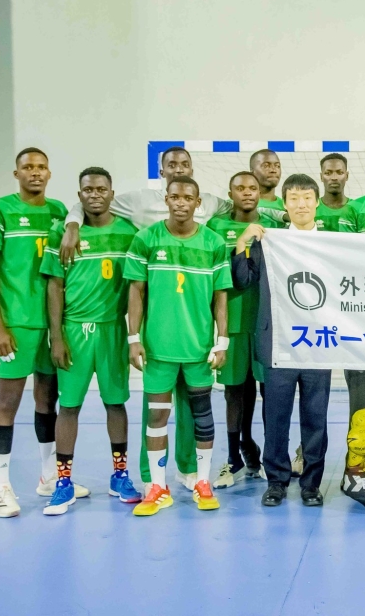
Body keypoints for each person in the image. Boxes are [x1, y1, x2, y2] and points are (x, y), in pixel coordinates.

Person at [58, 147, 231, 492]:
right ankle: (152, 478)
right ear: (161, 174)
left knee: (193, 408)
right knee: (156, 410)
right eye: (171, 166)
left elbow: (242, 203)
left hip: (194, 327)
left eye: (184, 166)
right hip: (159, 320)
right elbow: (92, 199)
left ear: (197, 198)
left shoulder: (210, 210)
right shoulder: (138, 206)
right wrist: (71, 224)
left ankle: (190, 472)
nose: (177, 171)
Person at [0, 147, 87, 517]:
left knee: (46, 400)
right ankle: (1, 487)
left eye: (41, 167)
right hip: (17, 323)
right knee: (8, 402)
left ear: (50, 173)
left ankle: (47, 477)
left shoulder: (58, 211)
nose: (35, 173)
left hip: (53, 322)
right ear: (16, 173)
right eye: (28, 167)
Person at [124, 176, 232, 515]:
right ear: (166, 199)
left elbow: (221, 297)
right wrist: (134, 338)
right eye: (174, 197)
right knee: (156, 417)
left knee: (202, 418)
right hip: (158, 350)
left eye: (188, 197)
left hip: (199, 350)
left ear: (198, 203)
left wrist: (222, 341)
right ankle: (156, 486)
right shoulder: (146, 239)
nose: (181, 202)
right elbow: (136, 292)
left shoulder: (213, 243)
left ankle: (202, 481)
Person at [39, 168, 141, 515]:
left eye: (101, 189)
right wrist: (56, 336)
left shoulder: (129, 233)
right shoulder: (62, 232)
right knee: (69, 407)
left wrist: (134, 336)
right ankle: (63, 482)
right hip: (74, 331)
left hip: (113, 330)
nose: (94, 194)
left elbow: (138, 289)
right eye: (87, 190)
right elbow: (54, 286)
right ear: (79, 196)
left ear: (112, 193)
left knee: (116, 403)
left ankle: (120, 474)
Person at [232, 174, 332, 508]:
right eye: (294, 198)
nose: (301, 204)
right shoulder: (268, 242)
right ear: (284, 205)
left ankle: (311, 484)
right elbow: (242, 279)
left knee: (315, 417)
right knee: (275, 416)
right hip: (279, 344)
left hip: (320, 343)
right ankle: (276, 481)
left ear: (317, 202)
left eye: (307, 198)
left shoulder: (334, 244)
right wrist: (242, 243)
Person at [207, 172, 266, 488]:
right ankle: (234, 459)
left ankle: (268, 457)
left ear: (260, 192)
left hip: (265, 324)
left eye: (252, 188)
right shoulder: (215, 228)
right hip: (230, 324)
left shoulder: (274, 228)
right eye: (240, 188)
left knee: (268, 392)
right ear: (229, 192)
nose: (247, 193)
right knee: (234, 393)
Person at [252, 149, 289, 229]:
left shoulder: (287, 206)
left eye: (277, 166)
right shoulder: (235, 205)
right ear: (253, 172)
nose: (273, 170)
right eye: (266, 166)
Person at [315, 153, 352, 231]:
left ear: (347, 176)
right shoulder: (311, 209)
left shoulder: (356, 208)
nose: (334, 178)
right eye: (328, 173)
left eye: (340, 173)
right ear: (321, 177)